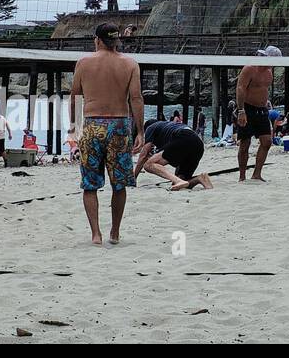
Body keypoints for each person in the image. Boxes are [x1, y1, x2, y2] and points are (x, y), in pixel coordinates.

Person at [69, 22, 144, 245]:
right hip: (119, 125)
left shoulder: (83, 63)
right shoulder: (130, 64)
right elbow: (136, 99)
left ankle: (95, 234)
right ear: (116, 41)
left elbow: (75, 97)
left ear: (98, 40)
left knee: (90, 184)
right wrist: (140, 130)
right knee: (119, 184)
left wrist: (74, 127)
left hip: (92, 125)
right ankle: (115, 232)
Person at [235, 46, 279, 182]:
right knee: (245, 143)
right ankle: (242, 176)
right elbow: (240, 87)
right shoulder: (250, 68)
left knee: (267, 142)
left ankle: (257, 174)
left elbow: (263, 90)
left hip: (262, 110)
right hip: (247, 108)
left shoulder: (269, 72)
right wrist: (241, 110)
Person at [134, 118, 213, 191]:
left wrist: (133, 178)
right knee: (182, 182)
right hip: (198, 144)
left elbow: (143, 155)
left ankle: (178, 181)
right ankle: (201, 178)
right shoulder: (169, 127)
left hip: (183, 137)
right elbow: (176, 151)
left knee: (148, 165)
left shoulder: (150, 127)